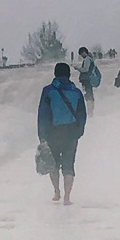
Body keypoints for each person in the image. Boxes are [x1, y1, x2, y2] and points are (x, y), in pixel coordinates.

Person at [37, 60, 87, 204]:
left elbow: (43, 114)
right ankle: (67, 197)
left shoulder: (48, 91)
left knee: (53, 164)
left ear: (55, 74)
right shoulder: (76, 92)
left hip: (53, 132)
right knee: (68, 165)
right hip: (71, 133)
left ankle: (56, 191)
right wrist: (79, 131)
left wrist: (42, 135)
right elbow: (82, 114)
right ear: (69, 75)